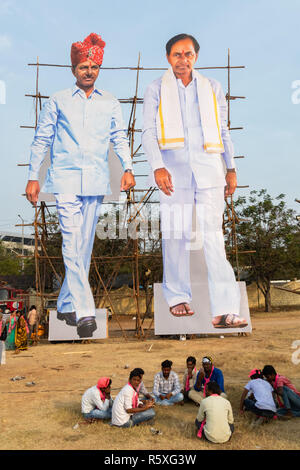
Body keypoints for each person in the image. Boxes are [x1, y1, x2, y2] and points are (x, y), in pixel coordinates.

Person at [25, 33, 135, 339]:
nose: (88, 71)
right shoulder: (57, 100)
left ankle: (65, 303)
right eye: (83, 66)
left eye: (94, 67)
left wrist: (128, 167)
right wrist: (33, 175)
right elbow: (42, 139)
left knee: (83, 246)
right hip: (65, 178)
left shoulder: (110, 102)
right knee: (72, 242)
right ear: (74, 69)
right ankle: (85, 313)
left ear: (98, 70)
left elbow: (119, 138)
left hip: (96, 179)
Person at [142, 33, 247, 328]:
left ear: (196, 57)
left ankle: (224, 309)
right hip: (172, 171)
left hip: (210, 168)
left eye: (188, 54)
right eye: (177, 54)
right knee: (175, 232)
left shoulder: (212, 87)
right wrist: (157, 167)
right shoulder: (155, 89)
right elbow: (148, 131)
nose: (183, 60)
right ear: (168, 58)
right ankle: (177, 297)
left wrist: (231, 167)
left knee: (214, 235)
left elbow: (224, 130)